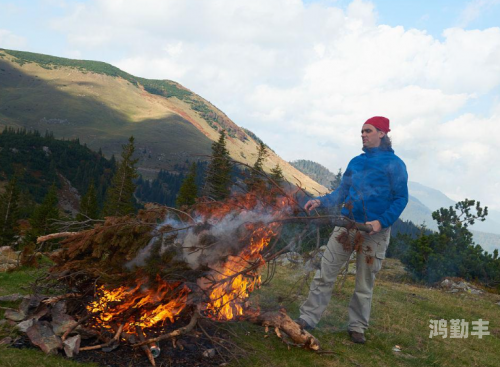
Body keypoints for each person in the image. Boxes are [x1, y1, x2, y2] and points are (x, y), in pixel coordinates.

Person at [297, 116, 408, 344]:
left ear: (382, 133)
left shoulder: (395, 164)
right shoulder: (356, 162)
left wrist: (381, 222)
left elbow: (400, 198)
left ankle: (357, 326)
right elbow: (341, 192)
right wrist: (320, 201)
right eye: (362, 132)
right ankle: (308, 318)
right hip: (345, 226)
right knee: (324, 273)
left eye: (368, 131)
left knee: (364, 283)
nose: (363, 135)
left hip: (373, 231)